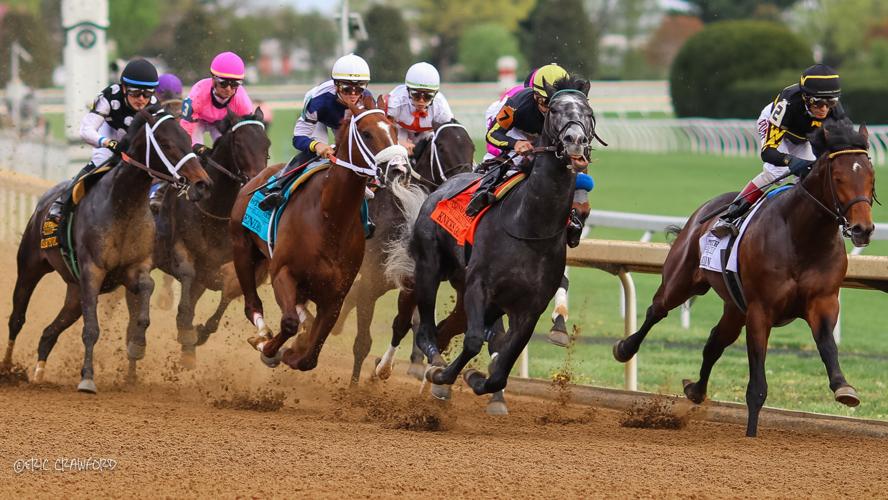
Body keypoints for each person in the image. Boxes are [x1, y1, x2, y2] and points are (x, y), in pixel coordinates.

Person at [714, 64, 846, 236]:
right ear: (806, 98)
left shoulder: (833, 108)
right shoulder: (788, 104)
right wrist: (790, 161)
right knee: (775, 172)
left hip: (801, 136)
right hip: (774, 125)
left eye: (830, 102)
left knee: (813, 177)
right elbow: (767, 152)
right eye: (818, 103)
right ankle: (730, 215)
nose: (824, 109)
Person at [48, 58, 160, 223]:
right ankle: (61, 203)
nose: (142, 99)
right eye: (135, 93)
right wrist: (107, 143)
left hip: (136, 138)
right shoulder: (109, 96)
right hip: (110, 132)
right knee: (101, 160)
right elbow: (86, 130)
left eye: (147, 94)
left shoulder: (155, 107)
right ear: (123, 88)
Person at [259, 53, 372, 211]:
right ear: (336, 85)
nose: (353, 94)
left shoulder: (367, 100)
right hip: (321, 119)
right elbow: (298, 138)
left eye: (359, 88)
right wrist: (316, 145)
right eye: (347, 88)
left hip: (345, 123)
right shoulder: (318, 100)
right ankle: (278, 187)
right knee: (316, 154)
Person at [384, 62, 454, 157]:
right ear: (407, 91)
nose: (421, 101)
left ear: (435, 94)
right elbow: (382, 130)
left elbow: (451, 133)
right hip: (399, 130)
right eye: (416, 95)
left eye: (428, 96)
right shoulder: (395, 101)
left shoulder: (441, 106)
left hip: (428, 133)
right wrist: (398, 143)